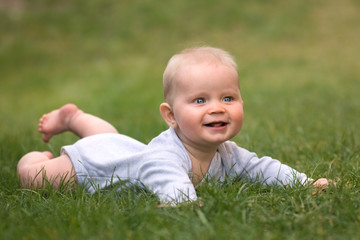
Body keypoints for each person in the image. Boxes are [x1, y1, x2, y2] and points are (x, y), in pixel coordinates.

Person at [17, 46, 333, 205]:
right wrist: (180, 204)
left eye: (228, 98)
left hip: (121, 150)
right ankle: (36, 156)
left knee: (108, 138)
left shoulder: (227, 152)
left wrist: (305, 183)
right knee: (34, 178)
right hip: (91, 167)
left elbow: (263, 168)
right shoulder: (165, 157)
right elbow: (170, 182)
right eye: (199, 101)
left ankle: (74, 118)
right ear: (170, 116)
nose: (216, 108)